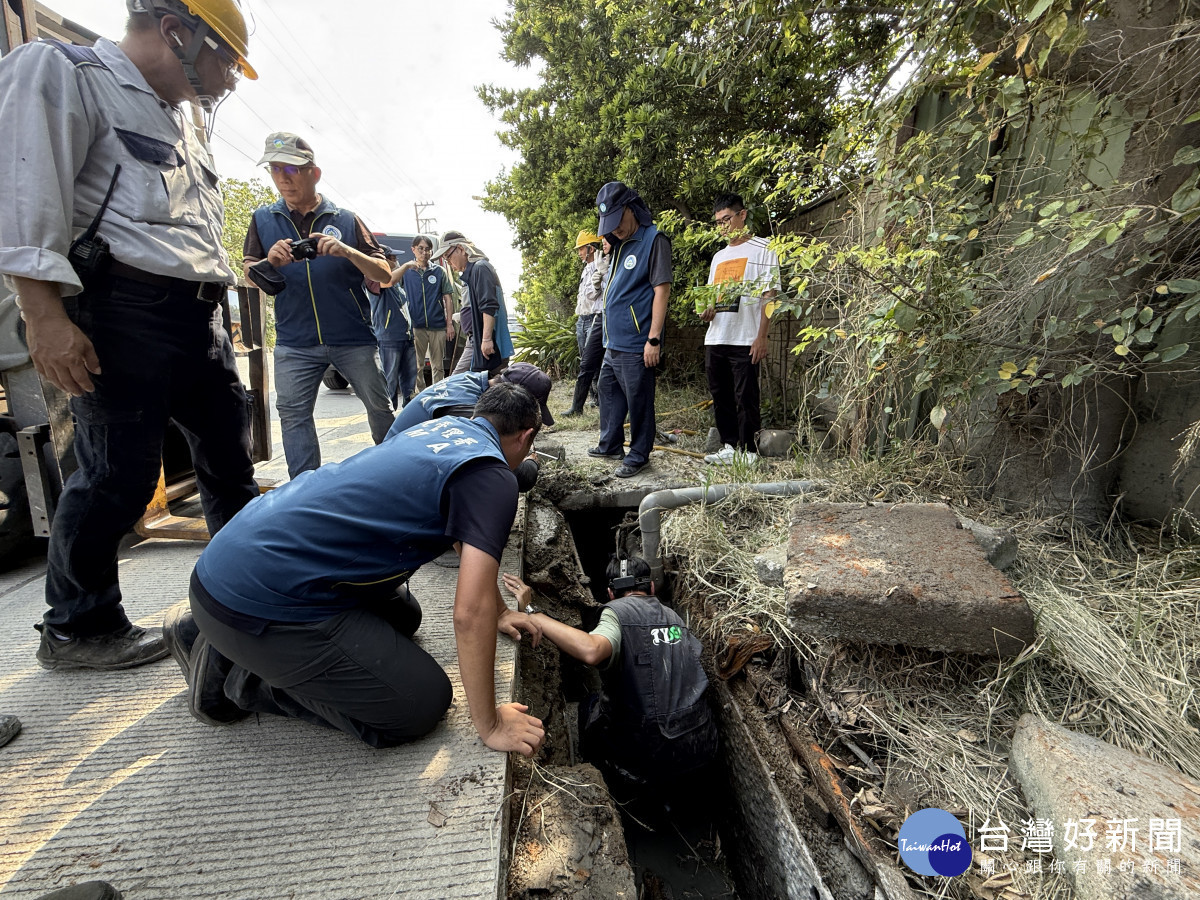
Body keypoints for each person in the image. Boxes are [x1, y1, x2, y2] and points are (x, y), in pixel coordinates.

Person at [0, 0, 259, 670]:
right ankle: (78, 628)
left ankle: (248, 596)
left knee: (230, 462)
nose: (229, 80)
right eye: (226, 60)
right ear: (177, 32)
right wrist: (44, 316)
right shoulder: (66, 73)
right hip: (119, 310)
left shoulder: (180, 119)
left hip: (196, 315)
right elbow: (25, 197)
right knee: (118, 473)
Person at [164, 382, 546, 755]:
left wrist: (499, 610)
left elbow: (467, 539)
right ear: (525, 437)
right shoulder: (494, 475)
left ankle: (197, 630)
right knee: (420, 703)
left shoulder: (441, 428)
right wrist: (491, 724)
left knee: (402, 616)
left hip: (228, 560)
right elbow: (468, 613)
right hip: (250, 603)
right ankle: (236, 679)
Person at [243, 132, 394, 479]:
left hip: (353, 339)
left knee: (379, 408)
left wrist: (346, 251)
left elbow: (384, 274)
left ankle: (392, 476)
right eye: (275, 168)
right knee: (294, 416)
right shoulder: (263, 219)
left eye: (292, 169)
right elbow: (249, 273)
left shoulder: (345, 219)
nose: (282, 177)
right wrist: (269, 262)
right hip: (295, 343)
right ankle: (307, 495)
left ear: (314, 173)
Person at [502, 555, 717, 789]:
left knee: (588, 707)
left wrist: (532, 611)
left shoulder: (616, 612)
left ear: (611, 593)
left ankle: (601, 781)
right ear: (652, 587)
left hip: (649, 754)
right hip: (702, 742)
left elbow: (591, 650)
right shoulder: (674, 618)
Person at [589, 182, 673, 478]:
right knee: (607, 390)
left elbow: (661, 290)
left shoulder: (653, 240)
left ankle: (639, 453)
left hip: (638, 341)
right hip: (614, 340)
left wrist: (653, 338)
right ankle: (611, 444)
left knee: (638, 399)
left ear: (630, 209)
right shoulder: (619, 243)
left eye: (617, 220)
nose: (614, 229)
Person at [385, 361, 555, 491]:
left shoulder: (472, 381)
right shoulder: (468, 413)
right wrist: (530, 460)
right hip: (398, 480)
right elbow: (516, 476)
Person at [702, 193, 780, 466]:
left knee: (745, 396)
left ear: (742, 215)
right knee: (720, 393)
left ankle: (748, 451)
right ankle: (729, 446)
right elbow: (711, 298)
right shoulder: (718, 257)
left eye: (727, 219)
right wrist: (706, 311)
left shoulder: (764, 248)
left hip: (746, 336)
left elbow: (770, 296)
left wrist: (762, 336)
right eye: (718, 223)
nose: (723, 227)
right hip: (717, 335)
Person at [432, 235, 514, 376]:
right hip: (477, 339)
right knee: (485, 386)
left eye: (448, 257)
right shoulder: (472, 272)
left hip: (488, 342)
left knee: (456, 383)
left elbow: (489, 306)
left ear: (461, 249)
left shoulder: (480, 268)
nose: (449, 263)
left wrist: (486, 339)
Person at [369, 250, 419, 408]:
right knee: (389, 380)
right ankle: (388, 417)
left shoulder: (398, 284)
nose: (396, 260)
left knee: (410, 378)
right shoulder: (375, 279)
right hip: (389, 337)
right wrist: (406, 266)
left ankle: (408, 411)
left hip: (406, 336)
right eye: (393, 258)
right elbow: (387, 281)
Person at [404, 234, 455, 386]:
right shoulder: (406, 272)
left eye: (428, 249)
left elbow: (448, 298)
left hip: (437, 325)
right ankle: (419, 397)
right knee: (417, 365)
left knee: (438, 366)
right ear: (413, 250)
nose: (424, 253)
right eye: (420, 249)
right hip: (416, 325)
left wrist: (449, 323)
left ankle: (438, 395)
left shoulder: (439, 272)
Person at [564, 231, 605, 417]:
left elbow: (593, 295)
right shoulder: (586, 269)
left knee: (591, 363)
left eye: (581, 248)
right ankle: (592, 399)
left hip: (595, 318)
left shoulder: (601, 265)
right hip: (583, 318)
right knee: (586, 361)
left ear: (590, 248)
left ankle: (587, 403)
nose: (579, 252)